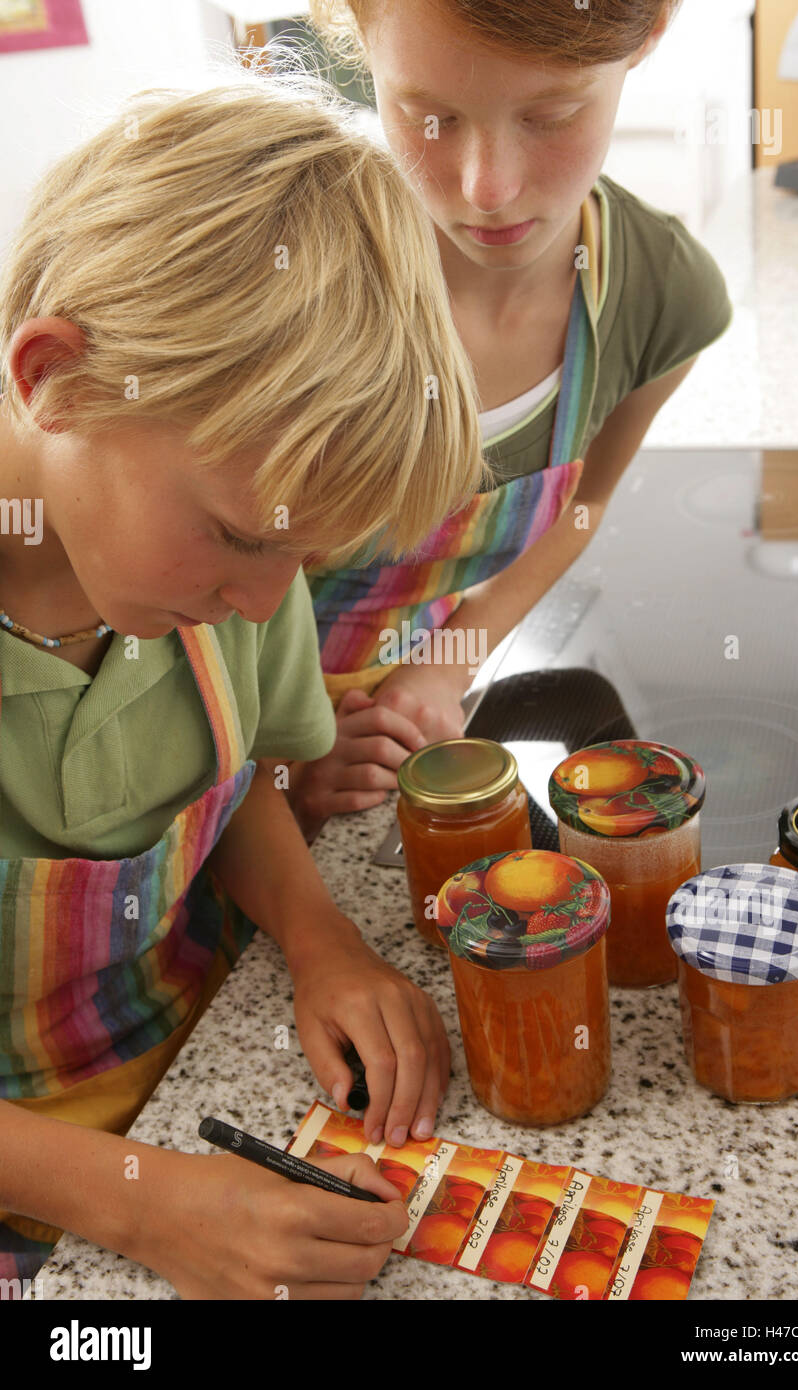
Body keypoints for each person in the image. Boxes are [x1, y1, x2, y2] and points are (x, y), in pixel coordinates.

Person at [0, 68, 484, 1298]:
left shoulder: (217, 571)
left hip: (193, 1075)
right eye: (241, 538)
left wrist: (324, 942)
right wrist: (138, 1200)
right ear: (53, 375)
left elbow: (243, 776)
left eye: (300, 558)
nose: (270, 606)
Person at [293, 0, 733, 831]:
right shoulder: (297, 271)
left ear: (648, 35)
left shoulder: (660, 293)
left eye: (550, 115)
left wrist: (440, 669)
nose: (485, 187)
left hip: (383, 741)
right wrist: (283, 751)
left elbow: (582, 506)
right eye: (430, 116)